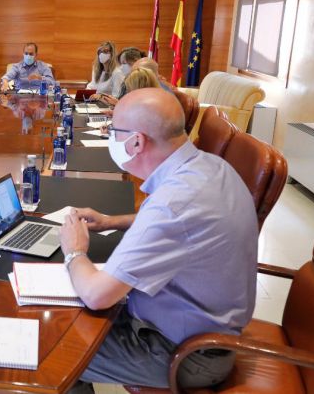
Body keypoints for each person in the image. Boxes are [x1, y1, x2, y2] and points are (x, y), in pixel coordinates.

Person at [61, 88, 258, 391]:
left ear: (137, 141)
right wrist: (113, 221)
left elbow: (97, 295)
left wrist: (75, 252)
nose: (111, 137)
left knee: (56, 350)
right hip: (202, 331)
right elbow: (183, 226)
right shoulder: (211, 167)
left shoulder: (173, 203)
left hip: (187, 354)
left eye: (114, 131)